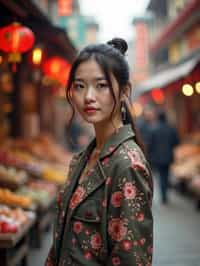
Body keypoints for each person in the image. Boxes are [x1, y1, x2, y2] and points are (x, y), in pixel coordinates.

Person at [45, 38, 153, 266]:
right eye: (79, 86)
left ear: (124, 91)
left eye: (101, 85)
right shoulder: (83, 158)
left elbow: (131, 259)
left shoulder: (127, 165)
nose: (88, 97)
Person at [148, 111, 179, 204]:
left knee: (160, 176)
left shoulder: (154, 129)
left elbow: (150, 144)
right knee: (166, 175)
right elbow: (176, 142)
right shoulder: (171, 129)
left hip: (157, 157)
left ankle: (163, 195)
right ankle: (165, 194)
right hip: (168, 156)